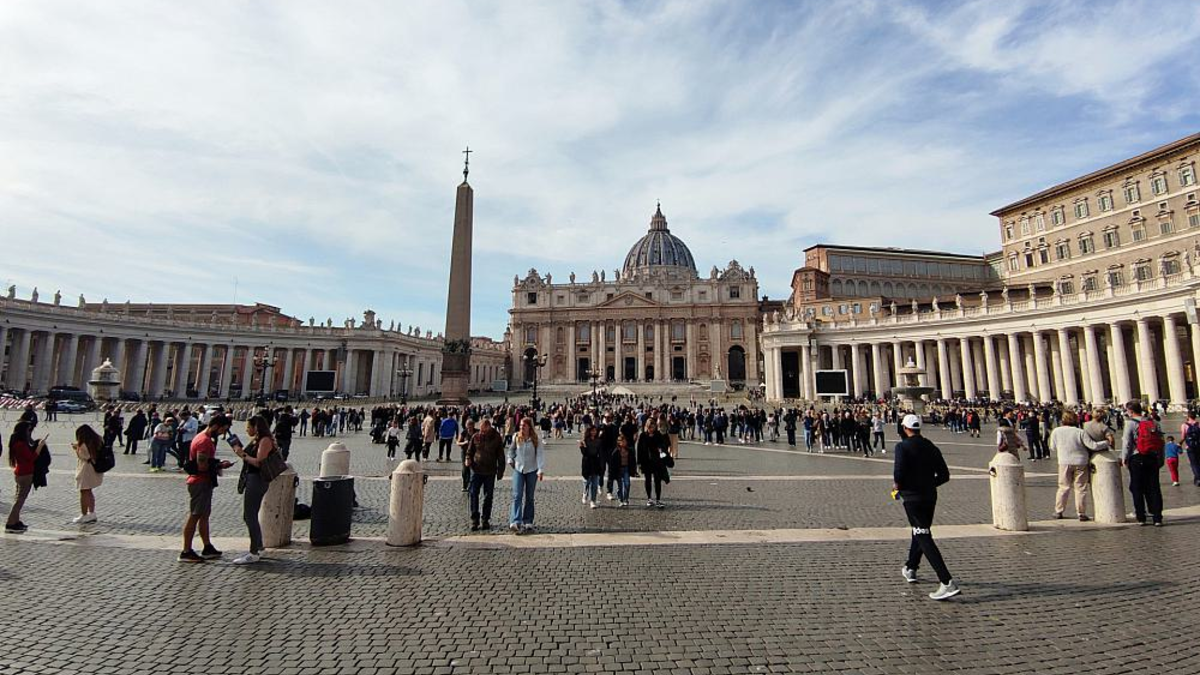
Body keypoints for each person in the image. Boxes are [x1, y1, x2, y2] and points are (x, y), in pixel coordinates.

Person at [893, 414, 960, 601]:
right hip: (930, 497)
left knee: (923, 535)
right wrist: (929, 484)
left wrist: (900, 487)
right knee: (921, 531)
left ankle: (947, 582)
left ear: (904, 428)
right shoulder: (931, 446)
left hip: (912, 498)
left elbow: (898, 474)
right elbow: (945, 475)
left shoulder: (902, 447)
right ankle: (911, 567)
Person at [179, 415, 234, 563]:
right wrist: (220, 465)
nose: (223, 433)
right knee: (195, 515)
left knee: (204, 515)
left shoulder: (203, 437)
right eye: (223, 430)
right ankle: (186, 551)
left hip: (204, 481)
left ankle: (207, 547)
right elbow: (202, 465)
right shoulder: (204, 441)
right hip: (200, 482)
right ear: (215, 426)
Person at [230, 416, 277, 564]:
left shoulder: (265, 440)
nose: (246, 430)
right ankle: (259, 547)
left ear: (256, 427)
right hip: (253, 478)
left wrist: (241, 454)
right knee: (250, 515)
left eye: (248, 427)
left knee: (249, 515)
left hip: (257, 479)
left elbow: (259, 462)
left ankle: (254, 552)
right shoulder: (258, 440)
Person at [1048, 411, 1107, 521]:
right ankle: (1081, 513)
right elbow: (1092, 445)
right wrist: (1106, 442)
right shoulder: (1080, 432)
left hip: (1064, 462)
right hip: (1081, 462)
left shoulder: (1056, 431)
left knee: (1063, 487)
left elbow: (1052, 447)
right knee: (1080, 488)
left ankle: (1058, 511)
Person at [1121, 402, 1165, 526]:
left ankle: (1141, 517)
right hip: (1152, 457)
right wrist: (1161, 458)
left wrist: (1124, 458)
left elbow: (1127, 443)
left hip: (1137, 457)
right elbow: (1161, 442)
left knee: (1137, 488)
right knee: (1154, 487)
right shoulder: (1154, 422)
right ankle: (1157, 517)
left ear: (1130, 411)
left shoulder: (1129, 423)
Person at [506, 417, 545, 533]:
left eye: (524, 425)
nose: (521, 427)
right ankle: (515, 521)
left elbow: (539, 455)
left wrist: (540, 469)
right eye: (520, 425)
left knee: (529, 497)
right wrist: (510, 459)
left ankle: (528, 520)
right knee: (517, 495)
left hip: (532, 470)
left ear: (529, 427)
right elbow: (511, 450)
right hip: (519, 469)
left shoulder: (536, 439)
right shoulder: (516, 437)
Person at [465, 417, 505, 530]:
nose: (482, 432)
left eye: (484, 430)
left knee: (488, 496)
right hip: (476, 469)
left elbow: (501, 455)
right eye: (481, 430)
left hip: (490, 471)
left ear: (489, 428)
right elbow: (469, 451)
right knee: (473, 494)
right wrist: (468, 459)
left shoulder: (496, 437)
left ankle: (485, 519)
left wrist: (500, 471)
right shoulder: (476, 436)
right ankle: (474, 519)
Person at [6, 421, 45, 533]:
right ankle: (10, 522)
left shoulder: (18, 443)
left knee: (18, 498)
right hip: (25, 473)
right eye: (28, 430)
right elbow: (31, 458)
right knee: (20, 500)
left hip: (21, 472)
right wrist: (40, 446)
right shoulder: (20, 445)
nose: (29, 432)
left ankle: (16, 520)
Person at [72, 424, 104, 524]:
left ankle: (84, 514)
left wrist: (76, 448)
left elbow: (83, 456)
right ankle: (92, 512)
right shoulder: (97, 440)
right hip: (94, 468)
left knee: (84, 491)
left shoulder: (83, 445)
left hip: (86, 469)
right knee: (89, 491)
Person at [636, 418, 672, 508]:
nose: (652, 429)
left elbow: (664, 445)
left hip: (657, 461)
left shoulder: (658, 435)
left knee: (657, 481)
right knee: (648, 480)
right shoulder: (643, 435)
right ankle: (649, 499)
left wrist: (661, 449)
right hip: (646, 461)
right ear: (647, 427)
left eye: (653, 427)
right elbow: (639, 449)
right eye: (650, 427)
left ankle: (658, 499)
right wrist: (639, 462)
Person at [579, 425, 605, 509]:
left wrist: (602, 465)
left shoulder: (599, 441)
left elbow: (601, 454)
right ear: (589, 431)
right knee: (587, 482)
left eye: (595, 430)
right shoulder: (585, 441)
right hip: (587, 463)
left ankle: (592, 501)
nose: (594, 432)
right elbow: (585, 453)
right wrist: (582, 447)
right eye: (592, 430)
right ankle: (585, 493)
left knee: (594, 484)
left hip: (595, 463)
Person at [608, 434, 636, 507]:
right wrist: (612, 472)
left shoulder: (629, 450)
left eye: (624, 441)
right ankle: (621, 500)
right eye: (621, 441)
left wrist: (634, 470)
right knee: (620, 485)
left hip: (626, 469)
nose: (623, 442)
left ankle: (626, 499)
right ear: (618, 442)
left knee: (627, 484)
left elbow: (633, 461)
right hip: (619, 469)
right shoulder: (616, 451)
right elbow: (612, 463)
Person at [457, 418, 477, 493]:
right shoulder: (464, 432)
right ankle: (465, 485)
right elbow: (458, 443)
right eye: (468, 425)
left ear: (473, 425)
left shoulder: (477, 432)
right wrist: (464, 442)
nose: (469, 427)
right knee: (465, 469)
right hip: (465, 452)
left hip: (474, 453)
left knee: (473, 468)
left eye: (471, 425)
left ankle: (472, 483)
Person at [1182, 413, 1200, 486]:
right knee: (1198, 462)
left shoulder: (1184, 425)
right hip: (1199, 445)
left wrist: (1180, 444)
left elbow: (1183, 437)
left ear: (1188, 417)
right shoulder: (1198, 424)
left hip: (1190, 447)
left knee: (1193, 463)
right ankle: (1197, 479)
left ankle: (1198, 478)